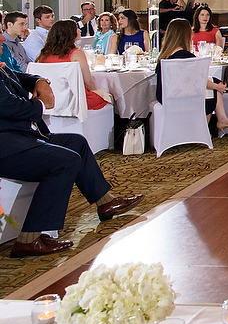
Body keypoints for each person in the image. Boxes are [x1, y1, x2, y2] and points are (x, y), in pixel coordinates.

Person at [0, 63, 143, 257]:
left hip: (19, 136)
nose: (2, 44)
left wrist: (39, 81)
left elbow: (17, 77)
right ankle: (28, 239)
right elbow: (9, 106)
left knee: (77, 143)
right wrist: (41, 104)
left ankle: (105, 202)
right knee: (66, 161)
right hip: (6, 146)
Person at [156, 19, 228, 131]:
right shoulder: (187, 56)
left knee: (212, 84)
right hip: (183, 100)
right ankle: (202, 129)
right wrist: (217, 87)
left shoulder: (164, 56)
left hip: (166, 97)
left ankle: (221, 120)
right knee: (213, 90)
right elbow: (198, 80)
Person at [36, 20, 111, 111]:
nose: (79, 30)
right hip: (75, 99)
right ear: (69, 34)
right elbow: (88, 82)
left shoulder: (43, 55)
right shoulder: (76, 54)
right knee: (109, 96)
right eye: (76, 29)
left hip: (49, 99)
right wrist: (96, 92)